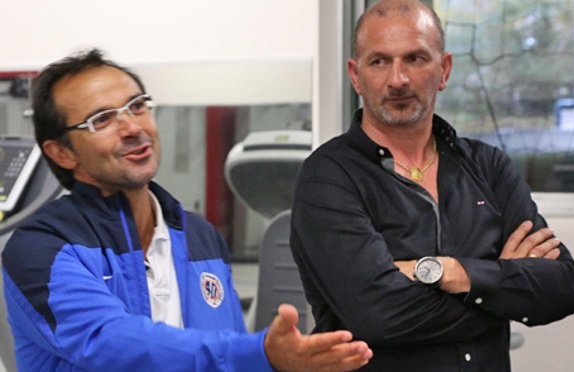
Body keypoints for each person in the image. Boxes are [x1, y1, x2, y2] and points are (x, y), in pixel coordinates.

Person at [1, 48, 373, 372]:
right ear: (60, 152)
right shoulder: (41, 249)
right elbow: (110, 344)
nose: (132, 126)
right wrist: (260, 353)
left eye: (137, 106)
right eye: (102, 119)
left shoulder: (200, 236)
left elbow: (229, 359)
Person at [289, 0, 574, 371]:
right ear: (355, 75)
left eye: (415, 58)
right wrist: (500, 288)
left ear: (443, 69)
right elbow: (379, 315)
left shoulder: (488, 167)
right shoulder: (328, 178)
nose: (398, 79)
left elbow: (565, 286)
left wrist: (447, 272)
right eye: (379, 61)